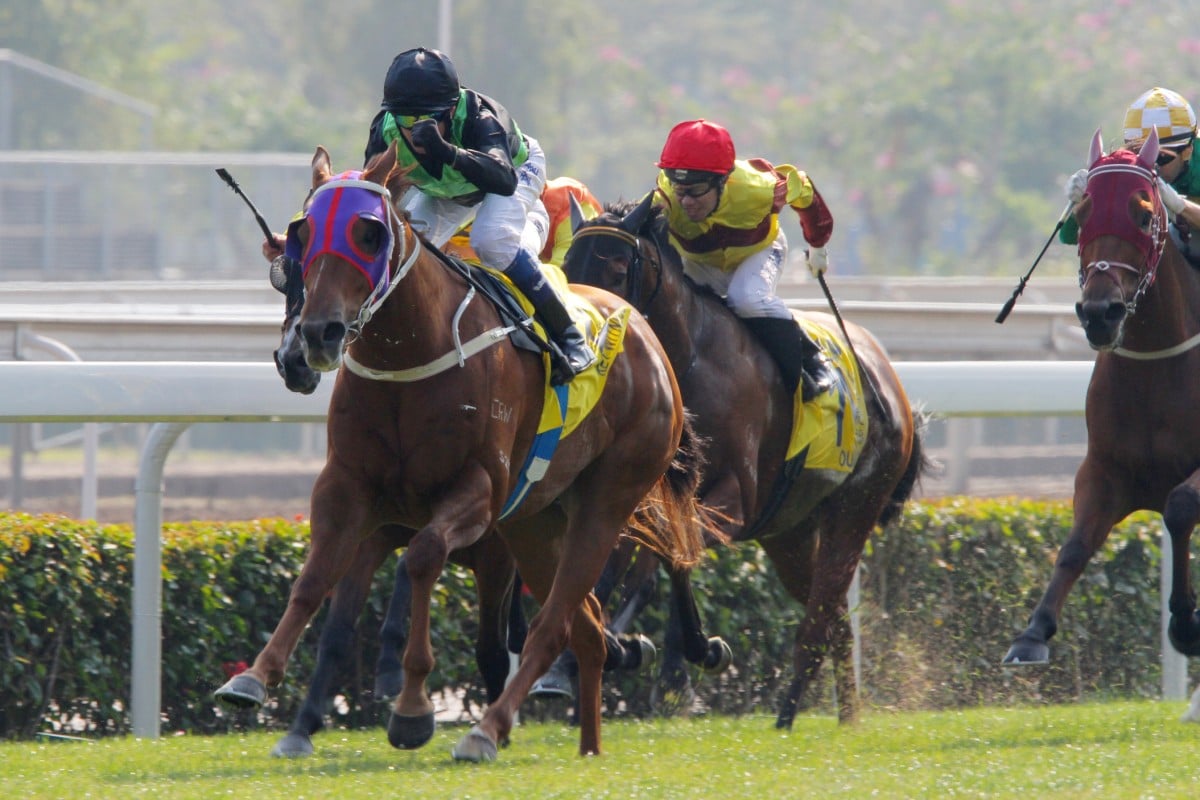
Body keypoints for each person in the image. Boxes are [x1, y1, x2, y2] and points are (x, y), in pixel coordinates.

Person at [357, 47, 595, 384]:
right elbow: (369, 196)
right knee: (401, 248)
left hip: (511, 174)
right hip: (448, 190)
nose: (413, 130)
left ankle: (569, 334)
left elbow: (502, 177)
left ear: (451, 109)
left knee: (491, 241)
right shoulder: (385, 128)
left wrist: (446, 151)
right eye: (405, 119)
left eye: (424, 119)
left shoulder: (480, 117)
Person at [650, 118, 834, 400]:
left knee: (745, 298)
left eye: (697, 189)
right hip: (700, 261)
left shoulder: (761, 189)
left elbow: (805, 190)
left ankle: (812, 358)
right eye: (680, 188)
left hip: (758, 252)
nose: (686, 201)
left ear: (723, 180)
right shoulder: (665, 195)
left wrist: (817, 245)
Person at [1061, 87, 1200, 257]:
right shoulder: (1129, 167)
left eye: (1162, 157)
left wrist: (1179, 205)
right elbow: (1068, 237)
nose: (1151, 167)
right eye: (1142, 155)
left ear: (1188, 150)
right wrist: (1082, 201)